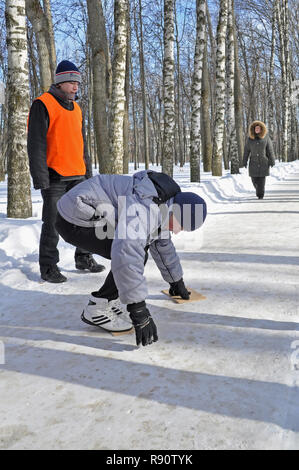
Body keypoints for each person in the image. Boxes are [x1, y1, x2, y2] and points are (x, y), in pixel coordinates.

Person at [55, 170, 207, 347]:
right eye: (181, 226)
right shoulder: (146, 209)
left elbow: (162, 244)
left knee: (139, 246)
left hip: (90, 208)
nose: (177, 231)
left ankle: (110, 300)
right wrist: (138, 310)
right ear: (177, 212)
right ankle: (97, 308)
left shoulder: (165, 204)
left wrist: (176, 282)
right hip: (76, 216)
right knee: (132, 251)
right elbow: (127, 254)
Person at [27, 60, 105, 283]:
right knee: (52, 223)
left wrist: (88, 173)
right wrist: (41, 178)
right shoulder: (43, 104)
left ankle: (83, 257)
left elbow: (81, 144)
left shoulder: (77, 108)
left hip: (78, 175)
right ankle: (49, 267)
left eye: (77, 83)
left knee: (85, 219)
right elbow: (36, 144)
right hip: (54, 177)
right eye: (71, 82)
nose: (75, 87)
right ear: (60, 83)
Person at [243, 120, 275, 199]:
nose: (257, 130)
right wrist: (244, 161)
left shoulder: (266, 138)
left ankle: (260, 194)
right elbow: (246, 151)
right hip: (253, 163)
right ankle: (259, 190)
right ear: (253, 129)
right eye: (255, 128)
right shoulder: (250, 139)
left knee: (261, 181)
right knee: (254, 180)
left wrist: (272, 160)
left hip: (264, 162)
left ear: (261, 129)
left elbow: (270, 150)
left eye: (258, 128)